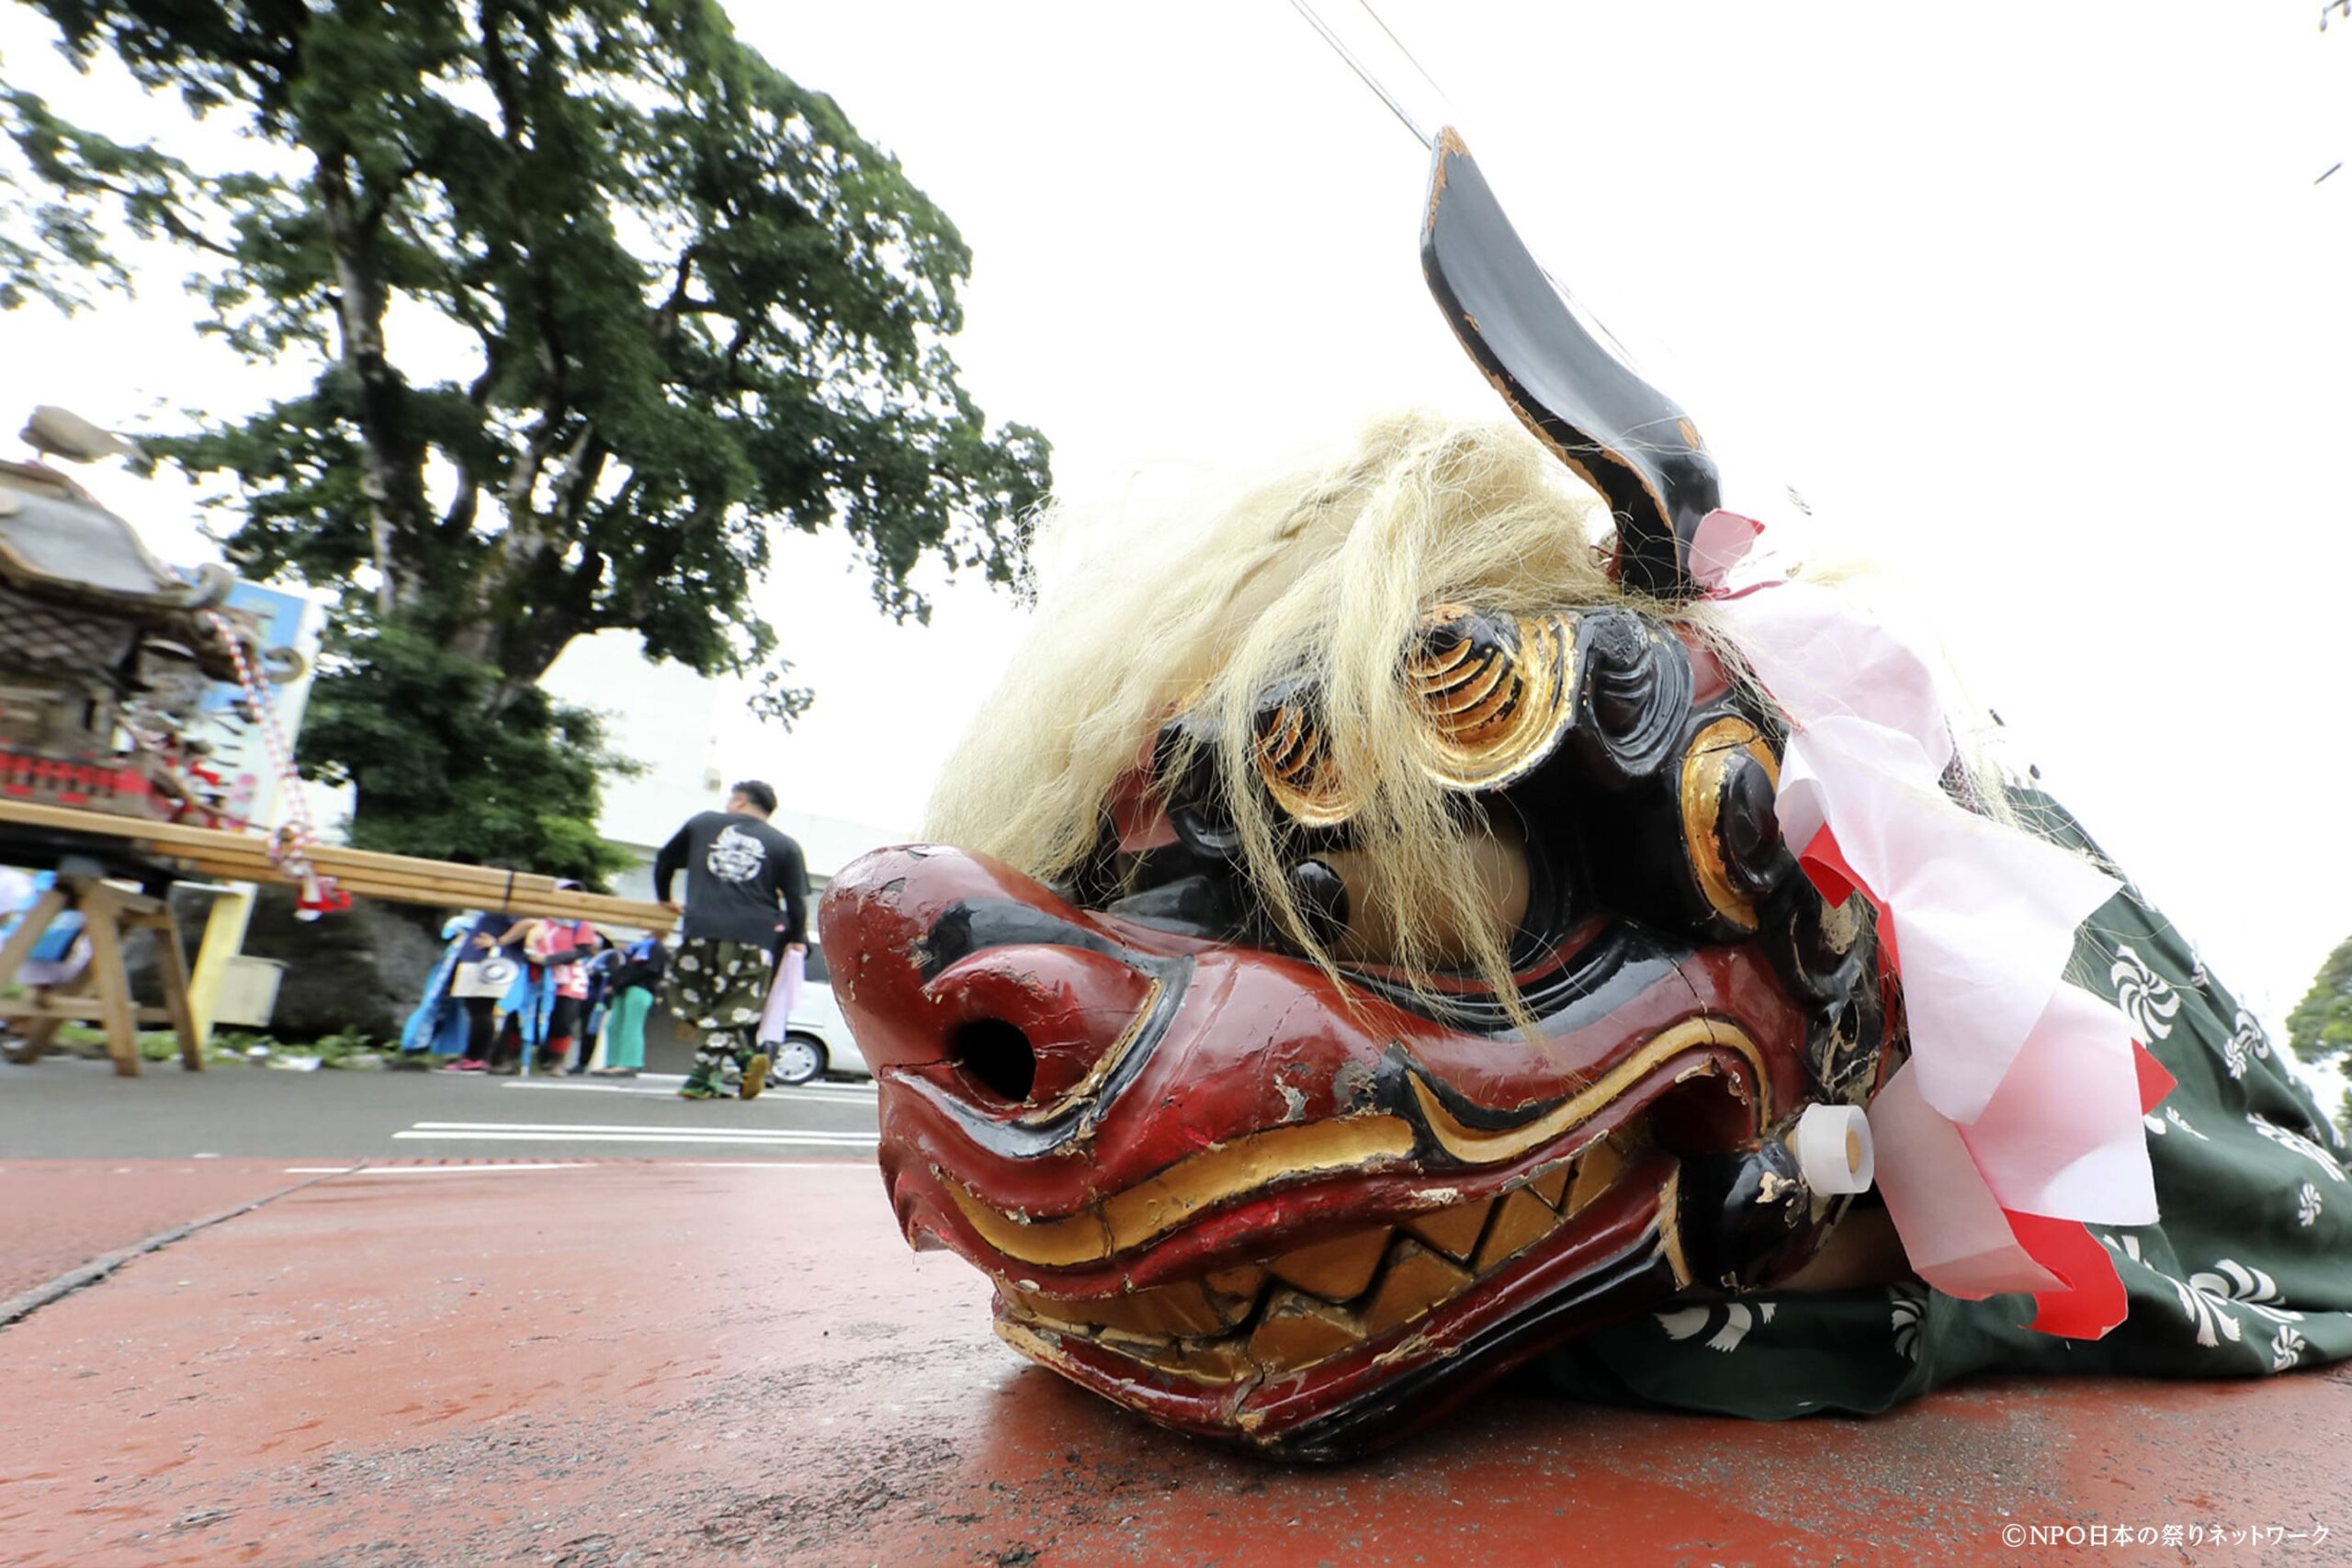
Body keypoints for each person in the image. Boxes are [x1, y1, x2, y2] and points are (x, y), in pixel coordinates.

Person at [652, 779, 807, 1101]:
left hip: (700, 928)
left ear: (738, 802)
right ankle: (742, 1060)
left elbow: (665, 860)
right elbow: (795, 900)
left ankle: (704, 1076)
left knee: (694, 1000)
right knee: (733, 1007)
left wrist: (664, 898)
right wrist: (797, 938)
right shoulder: (784, 845)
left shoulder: (703, 823)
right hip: (754, 937)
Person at [592, 932, 666, 1077]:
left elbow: (650, 970)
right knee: (613, 1026)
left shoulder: (655, 948)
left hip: (640, 988)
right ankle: (613, 1061)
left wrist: (621, 981)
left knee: (631, 1026)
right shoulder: (632, 949)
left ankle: (629, 1063)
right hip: (622, 989)